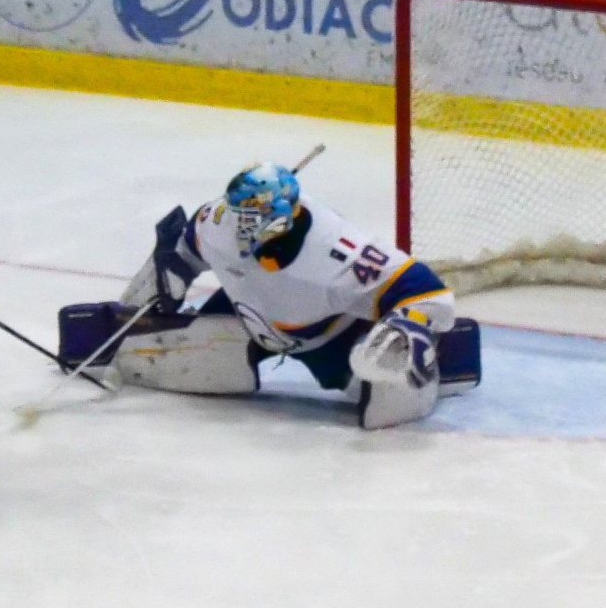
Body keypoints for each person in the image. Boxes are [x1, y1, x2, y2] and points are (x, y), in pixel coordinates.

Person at [99, 162, 478, 428]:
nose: (235, 224)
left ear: (280, 216)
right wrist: (165, 278)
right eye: (236, 213)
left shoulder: (340, 254)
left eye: (248, 217)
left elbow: (429, 292)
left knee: (384, 409)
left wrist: (410, 326)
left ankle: (427, 367)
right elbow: (185, 248)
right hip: (246, 311)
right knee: (149, 355)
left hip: (327, 339)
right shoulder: (218, 221)